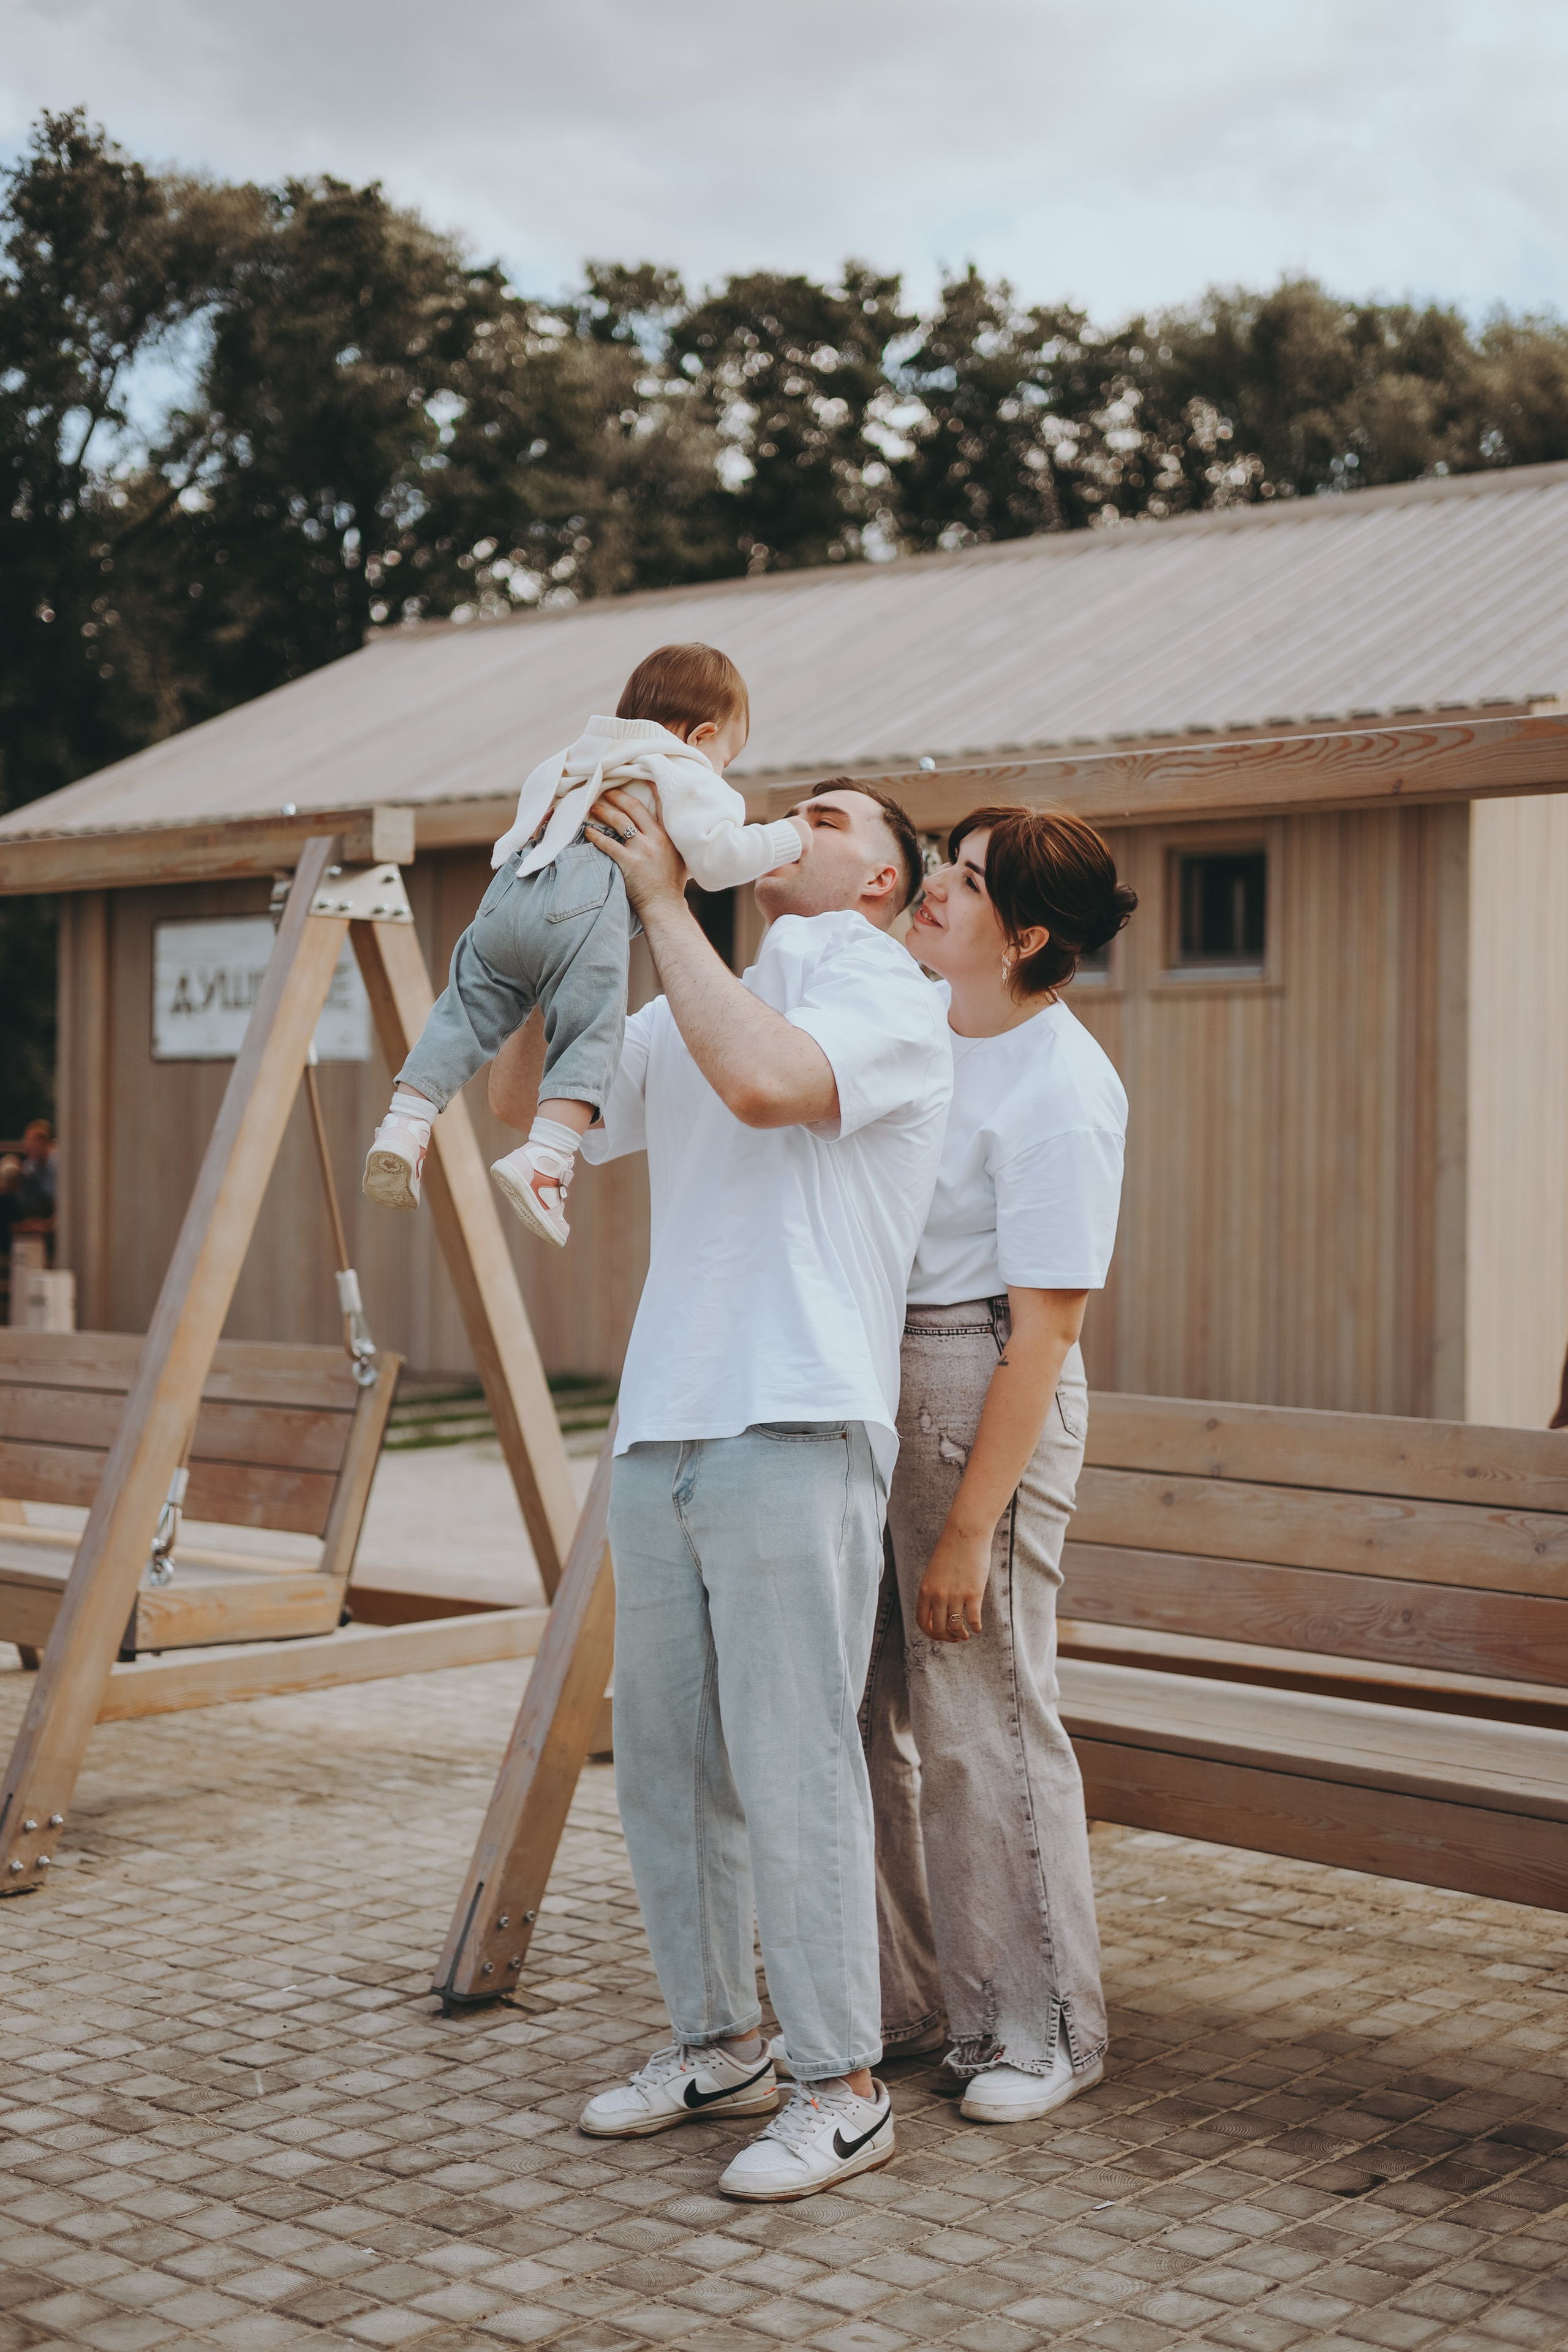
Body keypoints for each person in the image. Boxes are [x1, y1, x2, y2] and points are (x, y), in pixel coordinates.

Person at [563, 776, 952, 2200]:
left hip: (793, 1416)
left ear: (881, 885)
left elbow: (766, 1083)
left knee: (793, 1763)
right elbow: (538, 1100)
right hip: (659, 1420)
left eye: (831, 813)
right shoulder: (698, 988)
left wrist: (668, 894)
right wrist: (564, 902)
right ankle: (717, 2041)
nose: (793, 811)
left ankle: (841, 2084)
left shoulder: (893, 998)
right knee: (664, 1763)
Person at [861, 804, 1136, 2125]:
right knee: (849, 1701)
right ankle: (907, 1997)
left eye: (965, 882)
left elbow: (1046, 1334)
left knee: (980, 1718)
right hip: (871, 1374)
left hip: (982, 1385)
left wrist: (969, 1530)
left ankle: (1042, 2029)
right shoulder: (919, 1029)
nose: (932, 890)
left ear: (1024, 934)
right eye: (942, 866)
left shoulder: (1061, 1085)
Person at [362, 643, 809, 1245]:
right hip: (581, 903)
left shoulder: (577, 758)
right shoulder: (683, 770)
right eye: (726, 759)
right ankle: (545, 1158)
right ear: (702, 737)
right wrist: (789, 837)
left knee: (462, 1013)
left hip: (508, 892)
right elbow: (722, 861)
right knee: (590, 1029)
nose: (720, 772)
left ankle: (404, 1127)